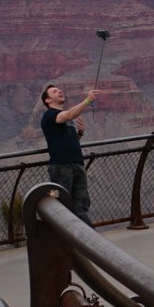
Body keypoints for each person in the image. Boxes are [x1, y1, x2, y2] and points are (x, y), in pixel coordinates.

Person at [39, 82, 96, 218]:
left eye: (59, 89)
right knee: (62, 203)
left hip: (77, 164)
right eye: (54, 91)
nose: (59, 91)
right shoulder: (50, 115)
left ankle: (84, 236)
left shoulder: (63, 116)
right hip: (60, 166)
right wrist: (87, 100)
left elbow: (66, 140)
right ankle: (62, 236)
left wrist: (80, 134)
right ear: (48, 100)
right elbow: (70, 115)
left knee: (81, 203)